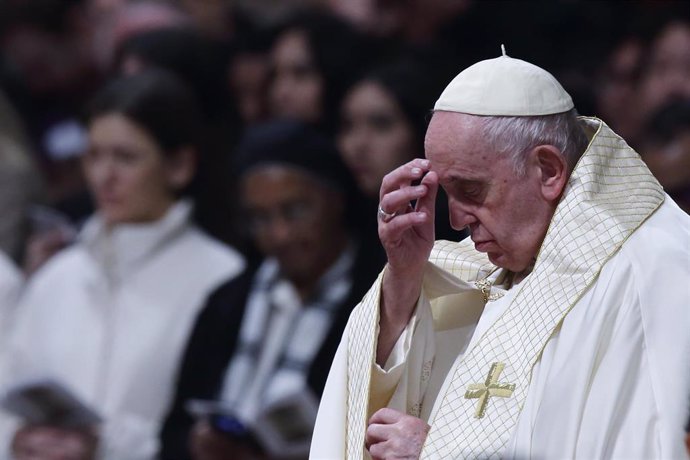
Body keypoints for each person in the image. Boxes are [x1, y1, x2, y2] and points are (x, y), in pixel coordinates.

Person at [310, 50, 690, 459]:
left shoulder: (650, 270)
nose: (455, 221)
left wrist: (437, 452)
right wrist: (404, 278)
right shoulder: (462, 267)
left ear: (548, 170)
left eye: (471, 191)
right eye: (447, 194)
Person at [0, 70, 245, 459]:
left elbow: (209, 437)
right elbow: (8, 389)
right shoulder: (58, 276)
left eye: (125, 158)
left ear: (179, 165)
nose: (104, 176)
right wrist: (15, 438)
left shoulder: (222, 278)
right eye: (93, 156)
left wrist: (103, 444)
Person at [159, 120, 384, 460]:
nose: (279, 234)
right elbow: (172, 429)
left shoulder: (381, 299)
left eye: (294, 211)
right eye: (260, 218)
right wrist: (197, 443)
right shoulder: (227, 301)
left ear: (336, 199)